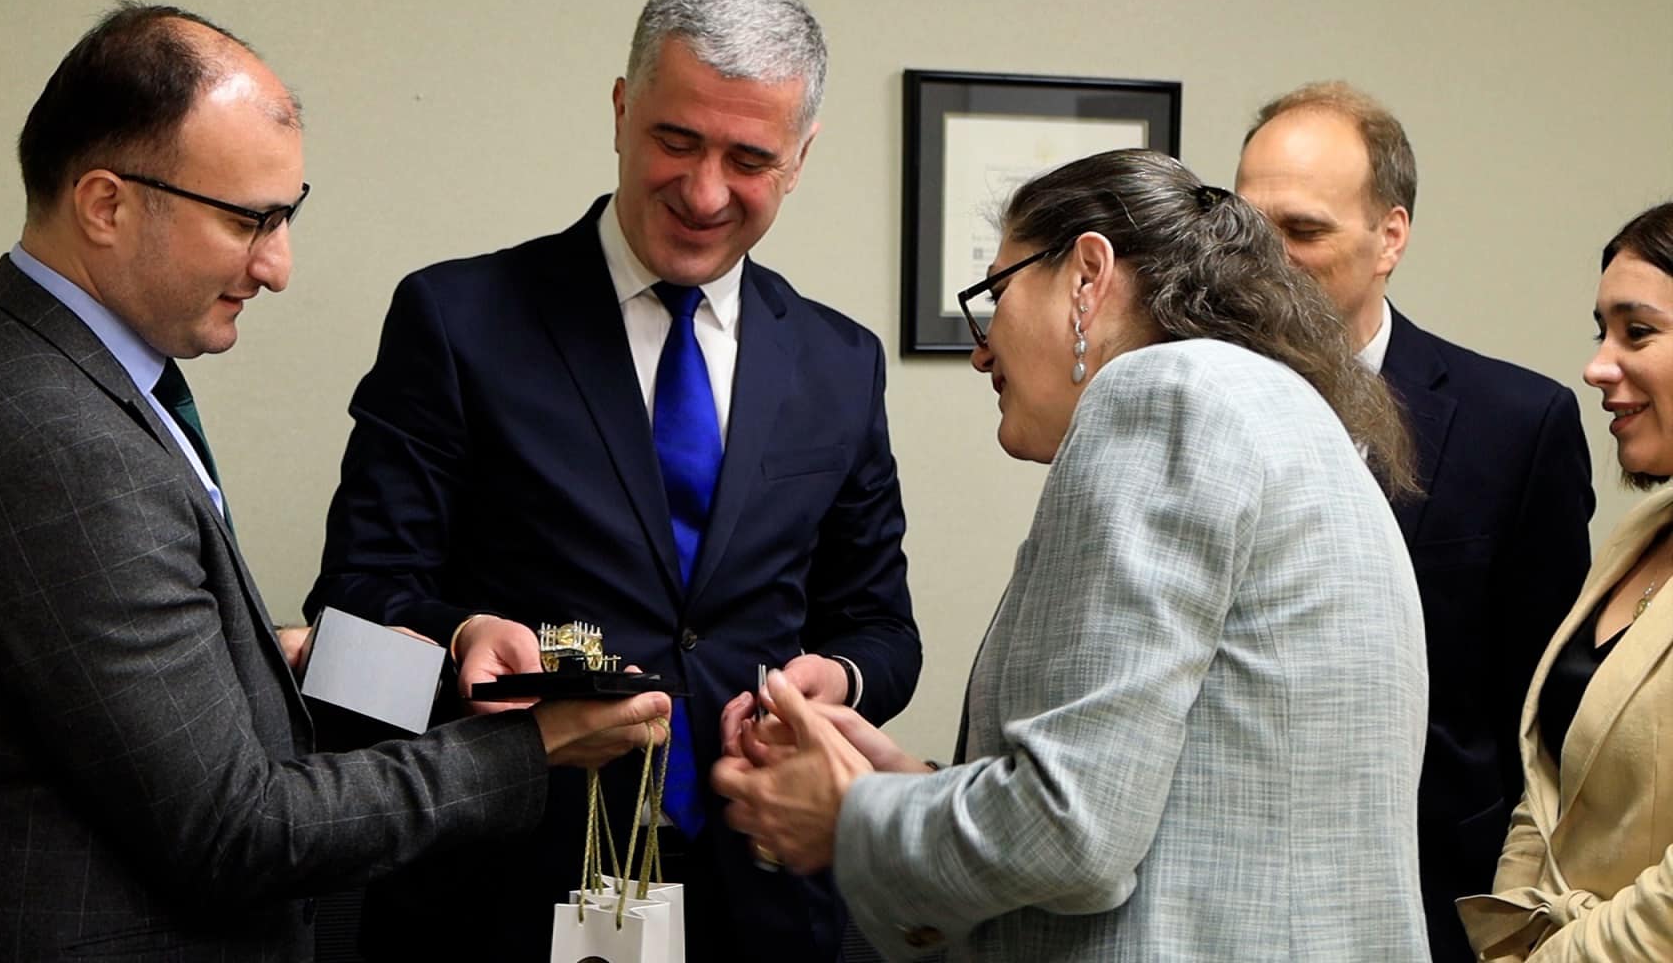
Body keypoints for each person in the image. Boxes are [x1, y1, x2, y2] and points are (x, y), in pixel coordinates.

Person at [0, 2, 670, 962]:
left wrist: (433, 662)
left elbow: (147, 689)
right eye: (251, 220)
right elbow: (236, 829)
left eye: (288, 215)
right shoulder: (57, 440)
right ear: (106, 205)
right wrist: (535, 746)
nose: (278, 266)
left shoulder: (41, 366)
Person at [304, 0, 920, 960]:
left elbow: (883, 630)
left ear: (801, 158)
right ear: (623, 110)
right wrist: (462, 639)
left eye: (749, 159)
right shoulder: (457, 321)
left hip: (764, 902)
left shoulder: (841, 363)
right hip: (497, 894)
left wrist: (838, 678)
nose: (705, 192)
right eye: (676, 140)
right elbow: (351, 610)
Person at [712, 149, 1432, 961]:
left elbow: (1074, 834)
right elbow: (1168, 805)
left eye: (996, 295)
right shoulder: (1290, 417)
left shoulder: (1163, 393)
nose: (981, 352)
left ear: (1088, 275)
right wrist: (902, 787)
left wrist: (849, 817)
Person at [1234, 81, 1595, 963]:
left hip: (1430, 893)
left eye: (1303, 230)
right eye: (1248, 228)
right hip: (1223, 886)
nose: (1267, 260)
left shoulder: (1516, 424)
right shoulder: (1179, 400)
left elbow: (1542, 714)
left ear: (1390, 236)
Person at [1458, 201, 1673, 961]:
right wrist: (1509, 936)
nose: (1597, 367)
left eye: (1637, 332)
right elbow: (1546, 786)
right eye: (1601, 333)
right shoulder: (1639, 533)